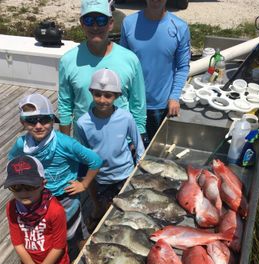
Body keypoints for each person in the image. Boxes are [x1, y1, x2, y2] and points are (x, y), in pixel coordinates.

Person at [8, 93, 102, 261]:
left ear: (52, 120)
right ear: (23, 122)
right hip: (39, 197)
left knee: (75, 231)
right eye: (31, 121)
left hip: (65, 196)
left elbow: (95, 161)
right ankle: (56, 258)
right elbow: (13, 160)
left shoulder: (65, 143)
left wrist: (84, 184)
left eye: (44, 119)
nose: (38, 125)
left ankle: (88, 258)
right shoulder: (21, 144)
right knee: (49, 232)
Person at [58, 0, 147, 143]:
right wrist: (65, 143)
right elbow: (65, 105)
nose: (95, 26)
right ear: (82, 23)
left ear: (111, 23)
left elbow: (138, 104)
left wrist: (138, 137)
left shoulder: (130, 59)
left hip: (122, 143)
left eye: (101, 20)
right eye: (89, 20)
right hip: (83, 145)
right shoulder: (67, 60)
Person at [77, 68, 145, 219]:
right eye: (97, 94)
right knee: (107, 213)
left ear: (117, 96)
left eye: (108, 95)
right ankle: (97, 206)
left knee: (127, 212)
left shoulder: (126, 117)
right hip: (101, 177)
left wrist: (138, 170)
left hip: (125, 173)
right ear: (91, 93)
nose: (102, 100)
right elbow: (84, 153)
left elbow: (139, 146)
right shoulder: (82, 123)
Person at [120, 0, 191, 141]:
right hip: (132, 104)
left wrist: (174, 97)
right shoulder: (128, 23)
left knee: (154, 155)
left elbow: (183, 67)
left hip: (161, 106)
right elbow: (122, 62)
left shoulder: (180, 27)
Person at [4, 155, 69, 264]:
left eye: (29, 186)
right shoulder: (11, 207)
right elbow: (18, 244)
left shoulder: (55, 210)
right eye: (16, 187)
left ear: (43, 183)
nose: (23, 192)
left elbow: (59, 247)